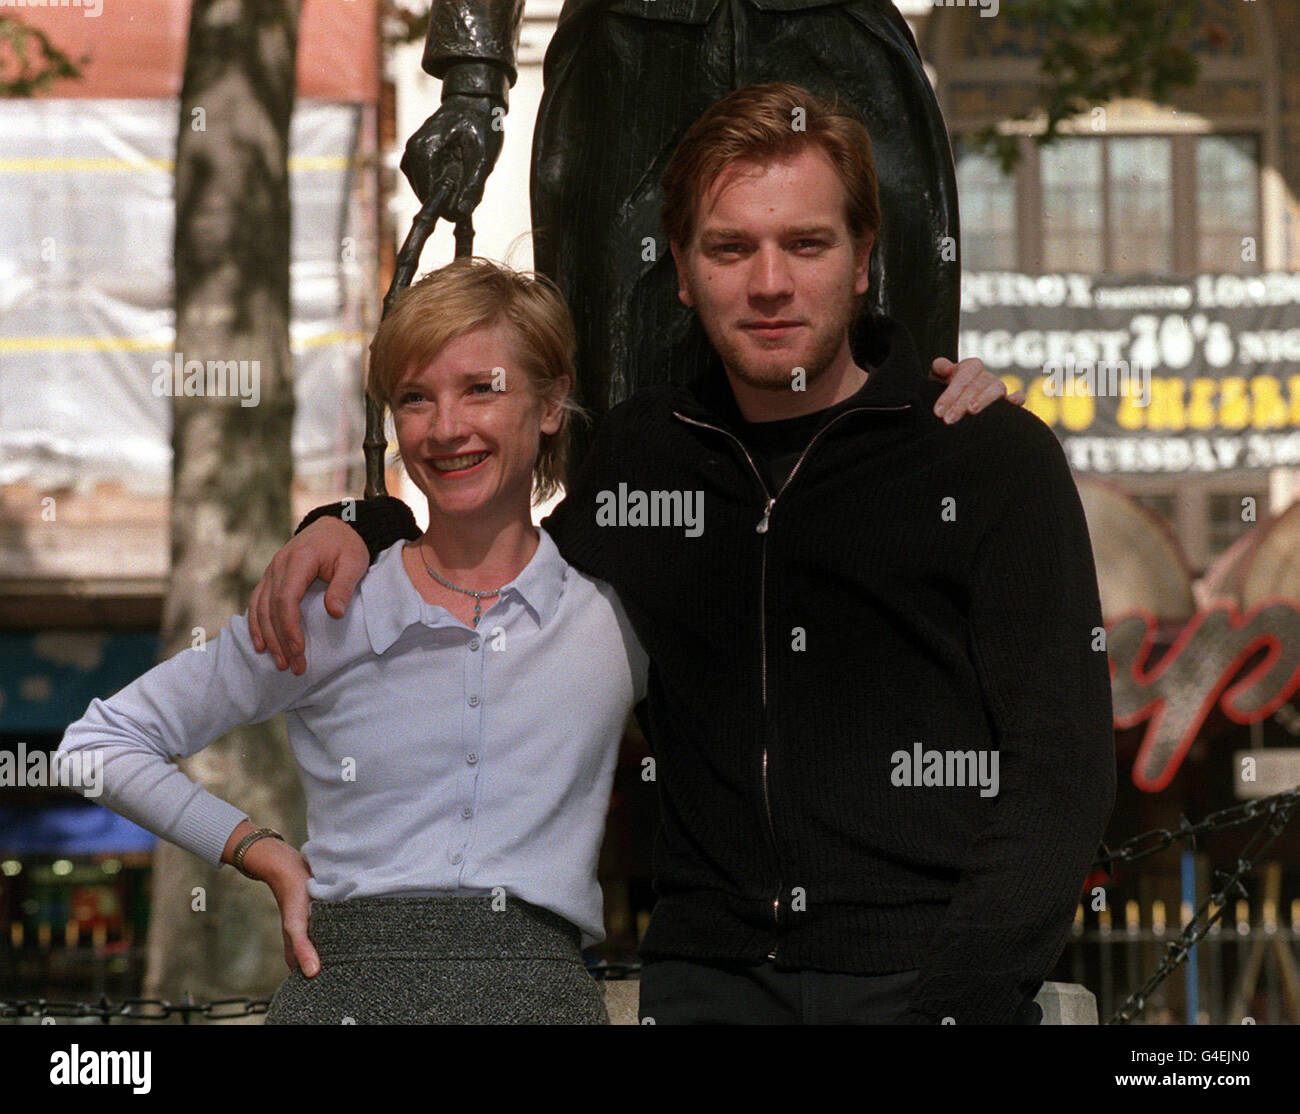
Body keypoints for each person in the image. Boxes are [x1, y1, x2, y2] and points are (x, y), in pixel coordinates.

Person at [251, 83, 1116, 1025]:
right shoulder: (646, 452)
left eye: (807, 244)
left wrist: (964, 1003)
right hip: (706, 984)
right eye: (731, 248)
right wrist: (356, 521)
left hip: (920, 983)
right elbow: (490, 561)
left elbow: (1061, 769)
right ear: (682, 269)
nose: (770, 282)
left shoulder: (985, 456)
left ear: (865, 259)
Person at [57, 258, 649, 1024]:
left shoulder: (615, 616)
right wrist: (258, 850)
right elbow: (96, 743)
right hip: (343, 990)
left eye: (481, 388)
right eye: (414, 398)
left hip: (541, 996)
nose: (445, 427)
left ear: (549, 403)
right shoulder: (333, 605)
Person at [404, 0, 971, 464]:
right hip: (627, 49)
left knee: (895, 359)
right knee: (611, 389)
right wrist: (471, 77)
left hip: (841, 34)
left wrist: (991, 432)